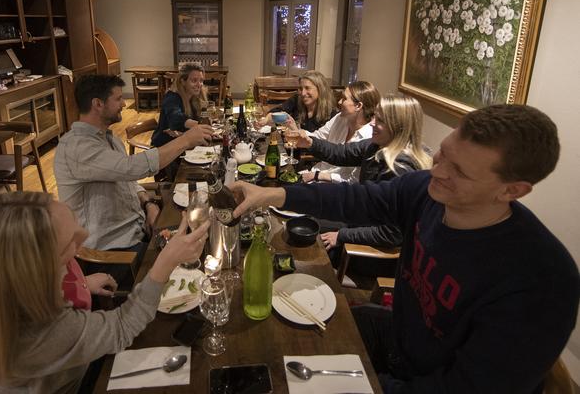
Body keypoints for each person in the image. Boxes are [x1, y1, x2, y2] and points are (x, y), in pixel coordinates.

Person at [231, 104, 580, 393]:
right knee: (287, 343)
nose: (437, 169)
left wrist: (365, 383)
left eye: (458, 170)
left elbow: (465, 388)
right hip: (400, 337)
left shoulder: (541, 281)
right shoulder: (426, 189)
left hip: (427, 377)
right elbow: (356, 199)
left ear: (511, 191)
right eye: (443, 153)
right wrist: (275, 194)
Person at [0, 192, 208, 393]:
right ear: (36, 274)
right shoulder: (41, 333)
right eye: (69, 243)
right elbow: (122, 327)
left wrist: (80, 281)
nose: (84, 238)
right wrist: (165, 262)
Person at [54, 75, 212, 256]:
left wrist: (148, 203)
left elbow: (126, 179)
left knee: (200, 232)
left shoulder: (108, 138)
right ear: (98, 104)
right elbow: (131, 168)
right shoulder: (77, 147)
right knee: (195, 253)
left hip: (138, 231)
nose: (123, 104)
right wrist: (186, 140)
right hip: (111, 252)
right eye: (118, 98)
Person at [299, 94, 431, 267]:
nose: (372, 123)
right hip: (360, 221)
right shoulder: (377, 145)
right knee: (309, 214)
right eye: (375, 116)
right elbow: (342, 153)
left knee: (310, 238)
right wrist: (310, 142)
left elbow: (391, 234)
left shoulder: (399, 169)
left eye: (380, 120)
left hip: (374, 251)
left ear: (399, 127)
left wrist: (341, 235)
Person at [301, 80, 380, 184]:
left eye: (344, 99)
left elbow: (354, 182)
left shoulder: (369, 137)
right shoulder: (340, 117)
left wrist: (320, 176)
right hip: (315, 174)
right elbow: (318, 137)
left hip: (336, 189)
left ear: (358, 106)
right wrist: (297, 132)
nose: (339, 102)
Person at [151, 64, 208, 147]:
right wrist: (201, 126)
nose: (199, 84)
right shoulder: (171, 97)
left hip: (183, 142)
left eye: (201, 80)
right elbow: (176, 119)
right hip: (164, 146)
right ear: (183, 81)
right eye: (194, 80)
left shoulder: (194, 97)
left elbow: (201, 117)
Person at [266, 70, 337, 132]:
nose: (303, 93)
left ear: (320, 89)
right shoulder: (297, 99)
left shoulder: (331, 114)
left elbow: (322, 143)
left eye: (307, 88)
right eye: (301, 88)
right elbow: (276, 111)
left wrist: (295, 130)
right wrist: (266, 119)